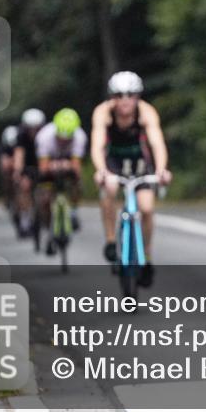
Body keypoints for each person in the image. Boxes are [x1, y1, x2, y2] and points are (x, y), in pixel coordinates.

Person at [90, 71, 171, 287]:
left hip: (140, 162)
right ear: (112, 98)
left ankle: (146, 257)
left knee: (146, 208)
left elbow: (157, 144)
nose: (125, 100)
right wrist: (101, 170)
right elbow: (97, 145)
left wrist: (162, 170)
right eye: (119, 95)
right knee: (109, 188)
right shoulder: (103, 113)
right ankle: (110, 239)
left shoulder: (146, 112)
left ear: (137, 97)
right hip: (114, 161)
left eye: (130, 95)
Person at [35, 108, 88, 255]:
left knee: (77, 182)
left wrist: (68, 166)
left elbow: (76, 167)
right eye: (61, 136)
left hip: (69, 165)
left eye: (68, 137)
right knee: (44, 198)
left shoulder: (80, 136)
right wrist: (55, 166)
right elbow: (43, 168)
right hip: (49, 166)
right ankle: (48, 229)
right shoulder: (44, 136)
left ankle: (74, 211)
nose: (64, 140)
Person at [13, 108, 46, 238]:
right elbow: (19, 154)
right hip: (28, 164)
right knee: (24, 186)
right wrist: (18, 172)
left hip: (43, 162)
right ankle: (25, 218)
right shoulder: (21, 135)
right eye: (30, 128)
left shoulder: (46, 135)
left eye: (36, 128)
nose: (33, 131)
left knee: (46, 191)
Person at [0, 125, 19, 214]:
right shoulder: (3, 145)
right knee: (5, 170)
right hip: (9, 161)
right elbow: (4, 160)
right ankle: (7, 195)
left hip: (18, 160)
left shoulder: (21, 142)